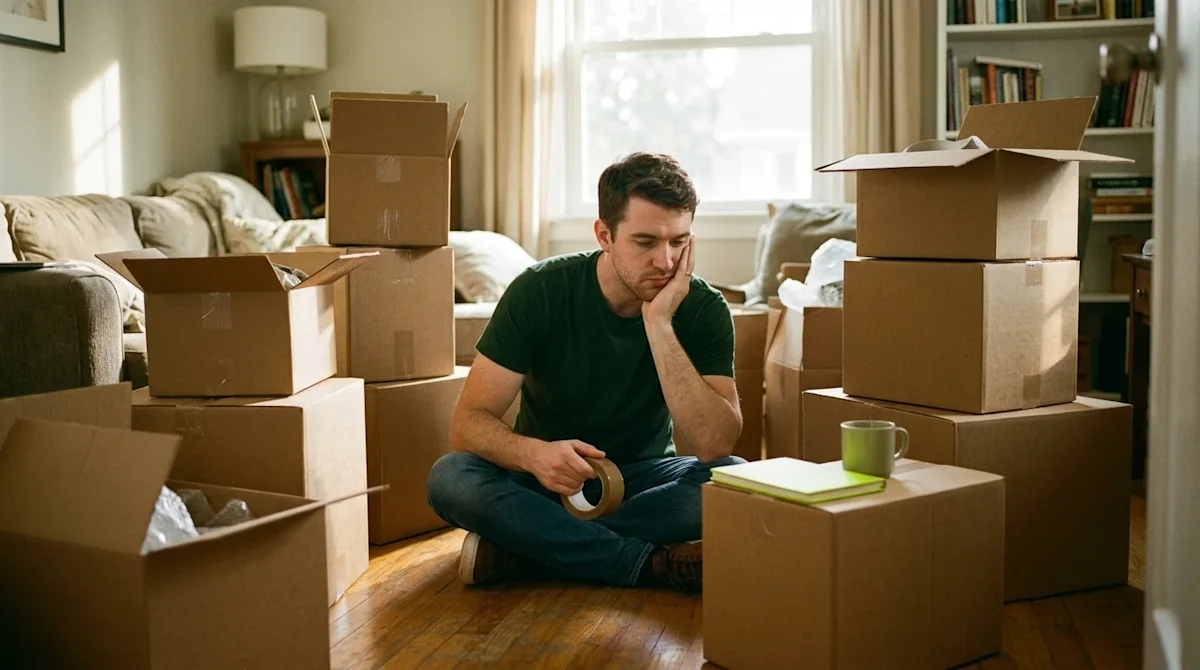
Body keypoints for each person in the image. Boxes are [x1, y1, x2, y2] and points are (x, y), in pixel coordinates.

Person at [426, 151, 746, 594]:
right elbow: (467, 424)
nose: (665, 262)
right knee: (451, 477)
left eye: (679, 242)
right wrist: (533, 455)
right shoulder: (539, 291)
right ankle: (644, 562)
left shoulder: (703, 308)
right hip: (541, 478)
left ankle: (526, 548)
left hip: (644, 478)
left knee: (735, 481)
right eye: (645, 241)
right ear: (604, 235)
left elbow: (713, 445)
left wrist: (658, 324)